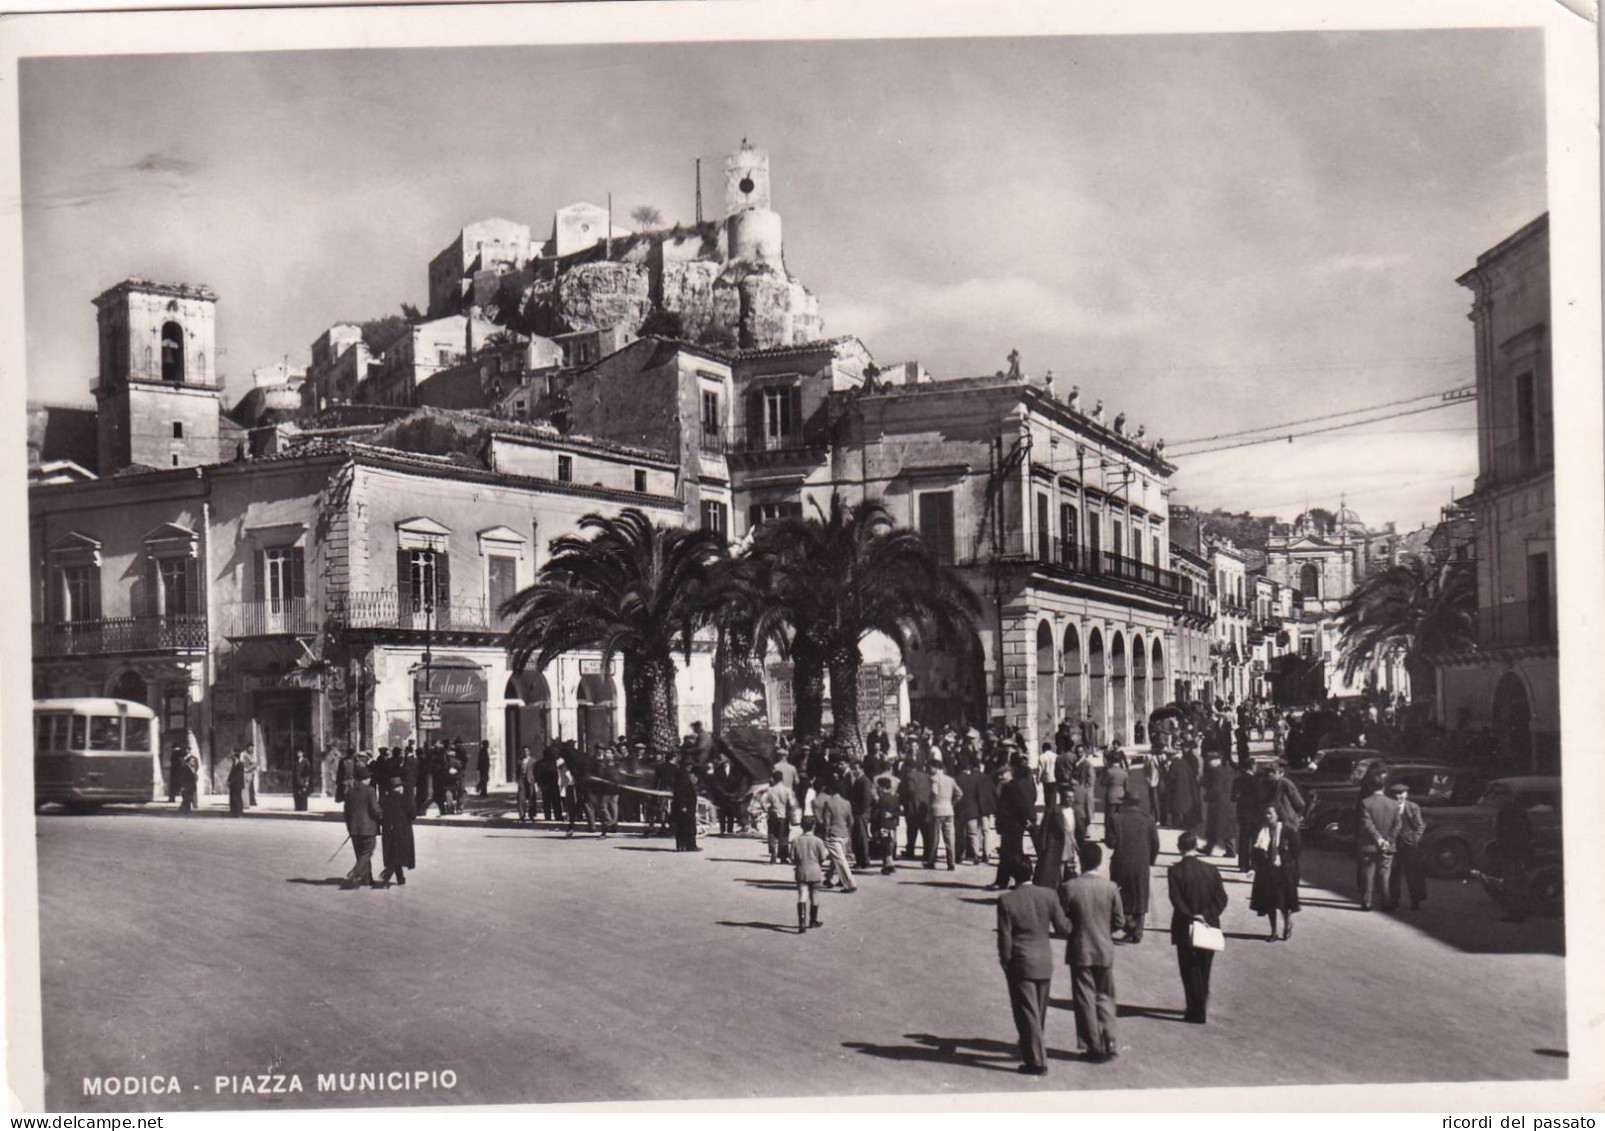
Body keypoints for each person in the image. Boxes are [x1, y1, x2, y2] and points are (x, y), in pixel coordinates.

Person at [996, 857, 1072, 1077]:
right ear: (1031, 872)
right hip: (1044, 961)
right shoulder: (1048, 895)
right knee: (1038, 1012)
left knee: (1027, 1013)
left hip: (1021, 962)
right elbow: (1063, 927)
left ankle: (1037, 1062)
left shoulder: (1007, 900)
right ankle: (1030, 1048)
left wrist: (1005, 960)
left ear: (1013, 876)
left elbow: (1005, 938)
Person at [1059, 840, 1123, 1062]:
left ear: (1081, 862)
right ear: (1100, 861)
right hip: (1104, 948)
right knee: (1105, 996)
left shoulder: (1070, 887)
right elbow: (1119, 921)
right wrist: (1105, 931)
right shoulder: (1111, 887)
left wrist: (1074, 930)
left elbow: (1061, 921)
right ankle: (1111, 1040)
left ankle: (1093, 1046)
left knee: (1085, 998)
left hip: (1080, 949)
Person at [1168, 832, 1229, 1024]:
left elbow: (1176, 900)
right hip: (1209, 925)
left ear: (1179, 848)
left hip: (1185, 925)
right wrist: (1207, 915)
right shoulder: (1211, 869)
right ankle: (1201, 1006)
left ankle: (1195, 1011)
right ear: (1195, 847)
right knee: (1204, 968)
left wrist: (1192, 915)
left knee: (1188, 969)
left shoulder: (1175, 872)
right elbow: (1222, 898)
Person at [1106, 795, 1159, 943]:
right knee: (1140, 895)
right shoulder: (1148, 819)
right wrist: (1150, 861)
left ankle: (1128, 923)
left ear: (1125, 803)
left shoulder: (1116, 819)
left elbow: (1110, 843)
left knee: (1121, 894)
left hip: (1121, 862)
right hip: (1141, 864)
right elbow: (1155, 844)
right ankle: (1138, 931)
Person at [1249, 803, 1300, 941]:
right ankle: (1273, 932)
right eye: (1266, 813)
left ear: (1278, 816)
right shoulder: (1261, 831)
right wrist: (1253, 867)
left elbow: (1296, 853)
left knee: (1284, 903)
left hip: (1284, 872)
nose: (1267, 816)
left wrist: (1291, 868)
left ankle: (1287, 923)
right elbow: (1255, 852)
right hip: (1267, 872)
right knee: (1270, 903)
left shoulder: (1288, 831)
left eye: (1270, 814)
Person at [988, 760, 1038, 891]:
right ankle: (1008, 880)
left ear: (1010, 774)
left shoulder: (1013, 787)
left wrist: (1025, 820)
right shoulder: (1007, 786)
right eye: (998, 775)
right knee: (1009, 854)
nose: (1000, 777)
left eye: (1002, 775)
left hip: (1013, 826)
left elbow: (1021, 805)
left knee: (1011, 855)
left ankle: (1011, 880)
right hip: (1009, 826)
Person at [1357, 783, 1401, 911]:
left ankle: (1367, 903)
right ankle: (1385, 902)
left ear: (1371, 788)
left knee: (1368, 875)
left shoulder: (1366, 802)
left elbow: (1367, 823)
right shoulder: (1394, 804)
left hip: (1369, 845)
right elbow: (1397, 825)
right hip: (1388, 846)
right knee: (1384, 875)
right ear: (1384, 789)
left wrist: (1378, 838)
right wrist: (1388, 840)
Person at [1387, 782, 1428, 911]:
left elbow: (1420, 825)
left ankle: (1415, 901)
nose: (1399, 797)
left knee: (1413, 874)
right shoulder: (1388, 807)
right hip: (1393, 845)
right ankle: (1394, 900)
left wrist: (1415, 839)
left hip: (1410, 846)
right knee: (1393, 874)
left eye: (1402, 794)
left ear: (1406, 794)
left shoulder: (1413, 807)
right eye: (1396, 794)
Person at [342, 764, 384, 890]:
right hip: (368, 828)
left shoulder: (349, 792)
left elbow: (346, 812)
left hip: (354, 829)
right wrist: (383, 817)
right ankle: (355, 872)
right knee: (367, 852)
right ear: (366, 779)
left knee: (360, 854)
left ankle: (367, 879)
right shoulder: (370, 791)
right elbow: (375, 809)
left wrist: (350, 827)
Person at [815, 776, 858, 892]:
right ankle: (828, 877)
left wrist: (825, 835)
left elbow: (827, 822)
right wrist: (848, 832)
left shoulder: (829, 803)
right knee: (837, 858)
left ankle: (850, 884)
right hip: (844, 834)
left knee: (840, 860)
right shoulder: (847, 803)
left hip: (833, 834)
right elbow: (851, 821)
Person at [1033, 785, 1079, 889]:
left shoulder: (1074, 811)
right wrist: (1043, 845)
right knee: (1056, 868)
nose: (1071, 800)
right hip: (1055, 844)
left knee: (1069, 867)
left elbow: (1076, 830)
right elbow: (1044, 829)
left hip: (1070, 843)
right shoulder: (1054, 811)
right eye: (1068, 797)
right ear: (1062, 797)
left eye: (1072, 797)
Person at [924, 758, 964, 871]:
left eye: (930, 767)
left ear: (935, 768)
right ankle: (951, 863)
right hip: (949, 810)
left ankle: (931, 861)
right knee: (950, 838)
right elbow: (960, 793)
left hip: (936, 811)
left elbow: (934, 791)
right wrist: (952, 803)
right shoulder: (950, 779)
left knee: (934, 838)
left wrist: (931, 801)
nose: (929, 769)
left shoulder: (933, 779)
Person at [793, 816, 830, 933]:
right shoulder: (818, 841)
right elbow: (823, 857)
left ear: (801, 827)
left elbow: (791, 857)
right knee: (814, 896)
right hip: (815, 870)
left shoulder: (796, 840)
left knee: (802, 895)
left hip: (801, 870)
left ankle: (801, 923)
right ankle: (813, 921)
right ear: (813, 826)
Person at [378, 778, 416, 886]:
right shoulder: (404, 799)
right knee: (399, 853)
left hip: (388, 830)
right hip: (403, 831)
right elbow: (413, 814)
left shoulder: (383, 799)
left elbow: (380, 814)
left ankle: (400, 877)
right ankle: (391, 874)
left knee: (392, 853)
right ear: (399, 788)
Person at [1200, 753, 1237, 859]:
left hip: (1218, 804)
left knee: (1217, 827)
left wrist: (1207, 796)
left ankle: (1227, 850)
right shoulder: (1224, 771)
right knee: (1222, 828)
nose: (1207, 763)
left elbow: (1215, 789)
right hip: (1226, 804)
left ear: (1216, 761)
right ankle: (1211, 848)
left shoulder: (1216, 772)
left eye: (1209, 760)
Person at [1231, 765, 1266, 872]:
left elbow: (1232, 797)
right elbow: (1260, 799)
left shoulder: (1237, 781)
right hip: (1255, 815)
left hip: (1243, 814)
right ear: (1253, 768)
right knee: (1255, 840)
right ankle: (1254, 864)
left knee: (1243, 840)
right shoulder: (1257, 781)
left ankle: (1242, 865)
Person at [762, 769, 798, 865]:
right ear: (782, 779)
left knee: (772, 834)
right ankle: (783, 857)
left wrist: (767, 810)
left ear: (773, 779)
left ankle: (773, 853)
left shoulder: (770, 790)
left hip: (773, 813)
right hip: (784, 814)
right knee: (784, 836)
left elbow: (763, 801)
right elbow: (792, 803)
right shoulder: (787, 790)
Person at [671, 760, 701, 852]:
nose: (690, 767)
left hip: (688, 805)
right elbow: (680, 792)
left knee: (685, 826)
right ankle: (689, 845)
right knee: (686, 826)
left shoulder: (685, 775)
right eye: (688, 765)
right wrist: (682, 805)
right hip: (685, 806)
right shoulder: (682, 776)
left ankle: (683, 845)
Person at [517, 745, 537, 822]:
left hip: (530, 780)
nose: (525, 752)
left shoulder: (533, 761)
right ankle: (522, 815)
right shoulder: (520, 761)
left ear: (529, 752)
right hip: (522, 780)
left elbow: (536, 771)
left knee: (532, 798)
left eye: (527, 751)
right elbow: (517, 771)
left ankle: (532, 815)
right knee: (521, 798)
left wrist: (535, 780)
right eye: (524, 751)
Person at [179, 747, 200, 813]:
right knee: (187, 798)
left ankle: (186, 808)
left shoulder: (191, 767)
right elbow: (184, 778)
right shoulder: (186, 768)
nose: (193, 762)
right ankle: (185, 809)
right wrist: (183, 786)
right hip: (188, 785)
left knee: (188, 797)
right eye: (192, 761)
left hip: (190, 785)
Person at [227, 752, 246, 817]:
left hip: (238, 784)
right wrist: (228, 780)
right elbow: (231, 773)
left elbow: (238, 775)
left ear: (236, 757)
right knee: (232, 798)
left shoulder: (240, 764)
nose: (232, 758)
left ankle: (239, 813)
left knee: (238, 798)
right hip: (233, 785)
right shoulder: (234, 764)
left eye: (233, 756)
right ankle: (233, 812)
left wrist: (232, 781)